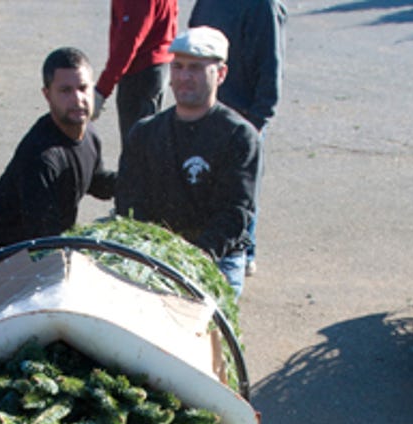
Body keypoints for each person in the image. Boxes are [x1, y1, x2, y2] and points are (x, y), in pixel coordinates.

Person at [116, 27, 260, 296]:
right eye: (178, 67)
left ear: (221, 74)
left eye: (195, 68)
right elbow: (129, 201)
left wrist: (194, 259)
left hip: (217, 257)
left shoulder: (239, 136)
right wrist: (153, 252)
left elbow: (235, 214)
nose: (184, 77)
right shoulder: (145, 133)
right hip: (155, 253)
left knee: (209, 327)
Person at [0, 47, 116, 263]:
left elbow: (95, 180)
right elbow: (44, 242)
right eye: (65, 90)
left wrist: (139, 180)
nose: (78, 99)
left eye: (83, 88)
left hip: (42, 242)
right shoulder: (41, 158)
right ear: (47, 95)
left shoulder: (88, 131)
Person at [188, 0, 286, 275]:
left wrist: (256, 122)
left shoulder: (262, 6)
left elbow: (271, 64)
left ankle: (243, 251)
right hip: (207, 111)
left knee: (240, 190)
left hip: (244, 115)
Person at [93, 0, 178, 149]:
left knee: (137, 151)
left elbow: (128, 42)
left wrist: (101, 90)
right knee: (149, 143)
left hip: (140, 73)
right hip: (157, 67)